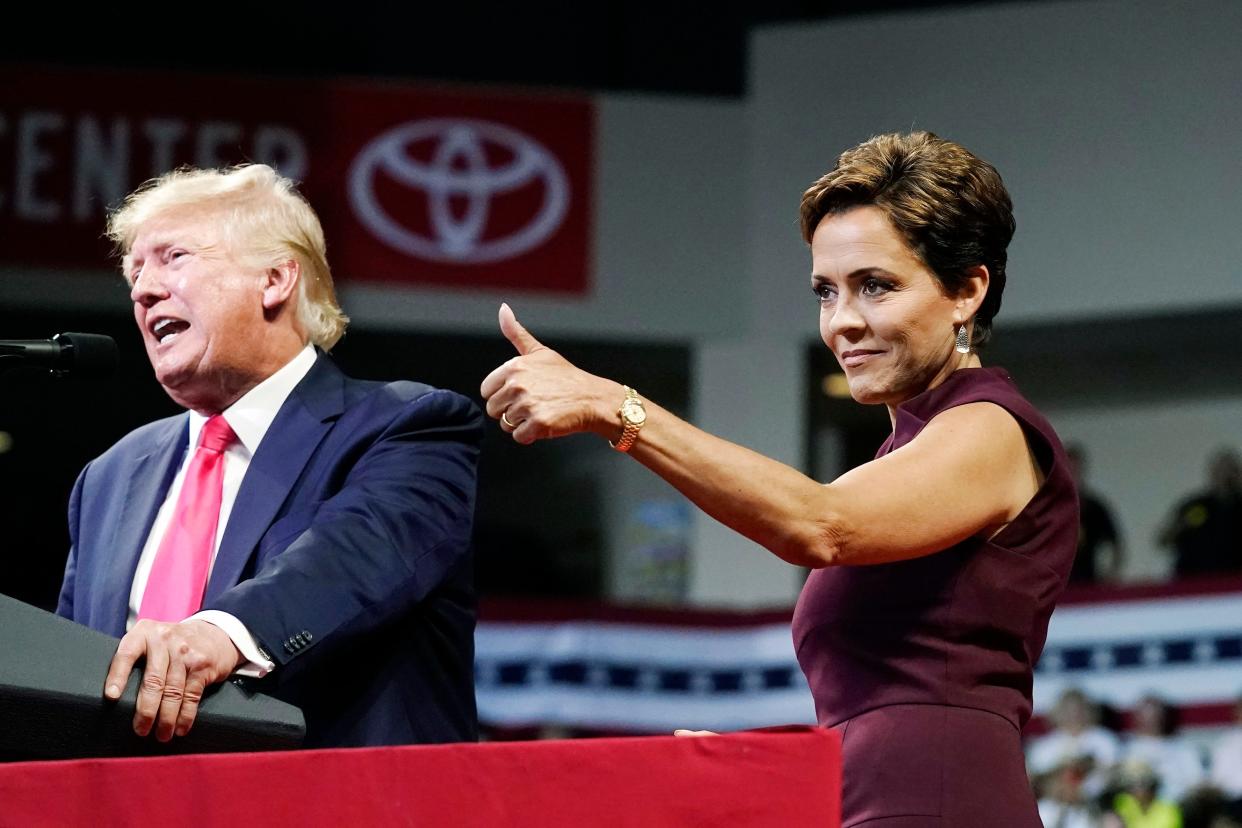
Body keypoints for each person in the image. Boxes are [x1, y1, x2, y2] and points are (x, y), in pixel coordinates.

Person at [481, 131, 1078, 826]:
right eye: (826, 292)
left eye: (876, 286)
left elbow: (819, 524)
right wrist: (767, 772)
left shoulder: (992, 428)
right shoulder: (895, 460)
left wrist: (614, 406)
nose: (843, 322)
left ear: (966, 291)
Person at [56, 164, 482, 748]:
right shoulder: (109, 477)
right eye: (135, 270)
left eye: (173, 257)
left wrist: (219, 636)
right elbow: (70, 674)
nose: (142, 289)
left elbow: (347, 561)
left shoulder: (409, 426)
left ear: (276, 280)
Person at [1159, 449, 1242, 578]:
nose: (1226, 476)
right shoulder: (1194, 505)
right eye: (1221, 471)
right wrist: (1181, 525)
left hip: (1234, 582)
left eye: (1232, 470)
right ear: (1212, 474)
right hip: (1194, 580)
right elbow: (1163, 541)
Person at [1121, 694, 1206, 803]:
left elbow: (1198, 782)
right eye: (1146, 715)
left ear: (1164, 716)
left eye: (1156, 714)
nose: (1152, 720)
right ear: (1137, 718)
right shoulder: (1127, 751)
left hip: (1182, 806)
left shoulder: (1183, 748)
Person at [1068, 443, 1125, 584]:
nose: (1072, 474)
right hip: (1057, 588)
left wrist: (1110, 575)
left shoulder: (1095, 507)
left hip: (1088, 583)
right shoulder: (1048, 508)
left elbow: (1115, 544)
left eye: (1075, 469)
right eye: (1068, 469)